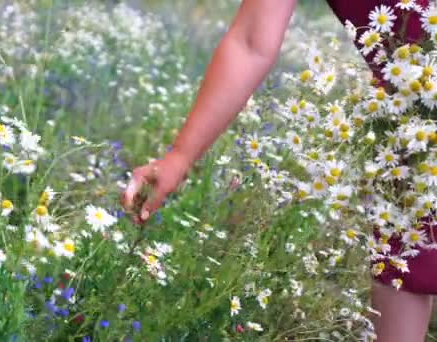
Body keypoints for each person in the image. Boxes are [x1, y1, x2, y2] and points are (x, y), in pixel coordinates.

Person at [120, 1, 435, 341]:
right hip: (410, 123)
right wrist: (179, 157)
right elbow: (250, 41)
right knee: (405, 266)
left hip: (411, 114)